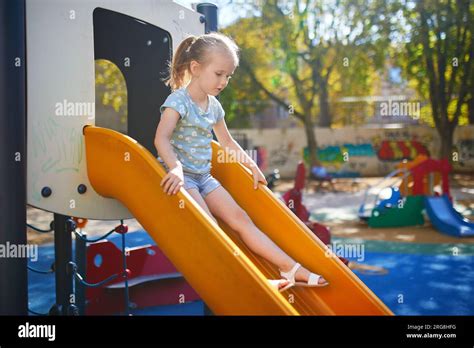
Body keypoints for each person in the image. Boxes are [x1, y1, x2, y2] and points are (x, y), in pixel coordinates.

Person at [154, 32, 328, 292]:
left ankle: (290, 267)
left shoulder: (213, 106)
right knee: (210, 227)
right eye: (219, 74)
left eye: (228, 76)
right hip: (182, 178)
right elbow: (161, 139)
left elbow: (228, 143)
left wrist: (253, 166)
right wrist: (175, 168)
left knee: (241, 218)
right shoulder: (178, 101)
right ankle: (252, 280)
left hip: (203, 177)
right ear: (196, 68)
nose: (224, 81)